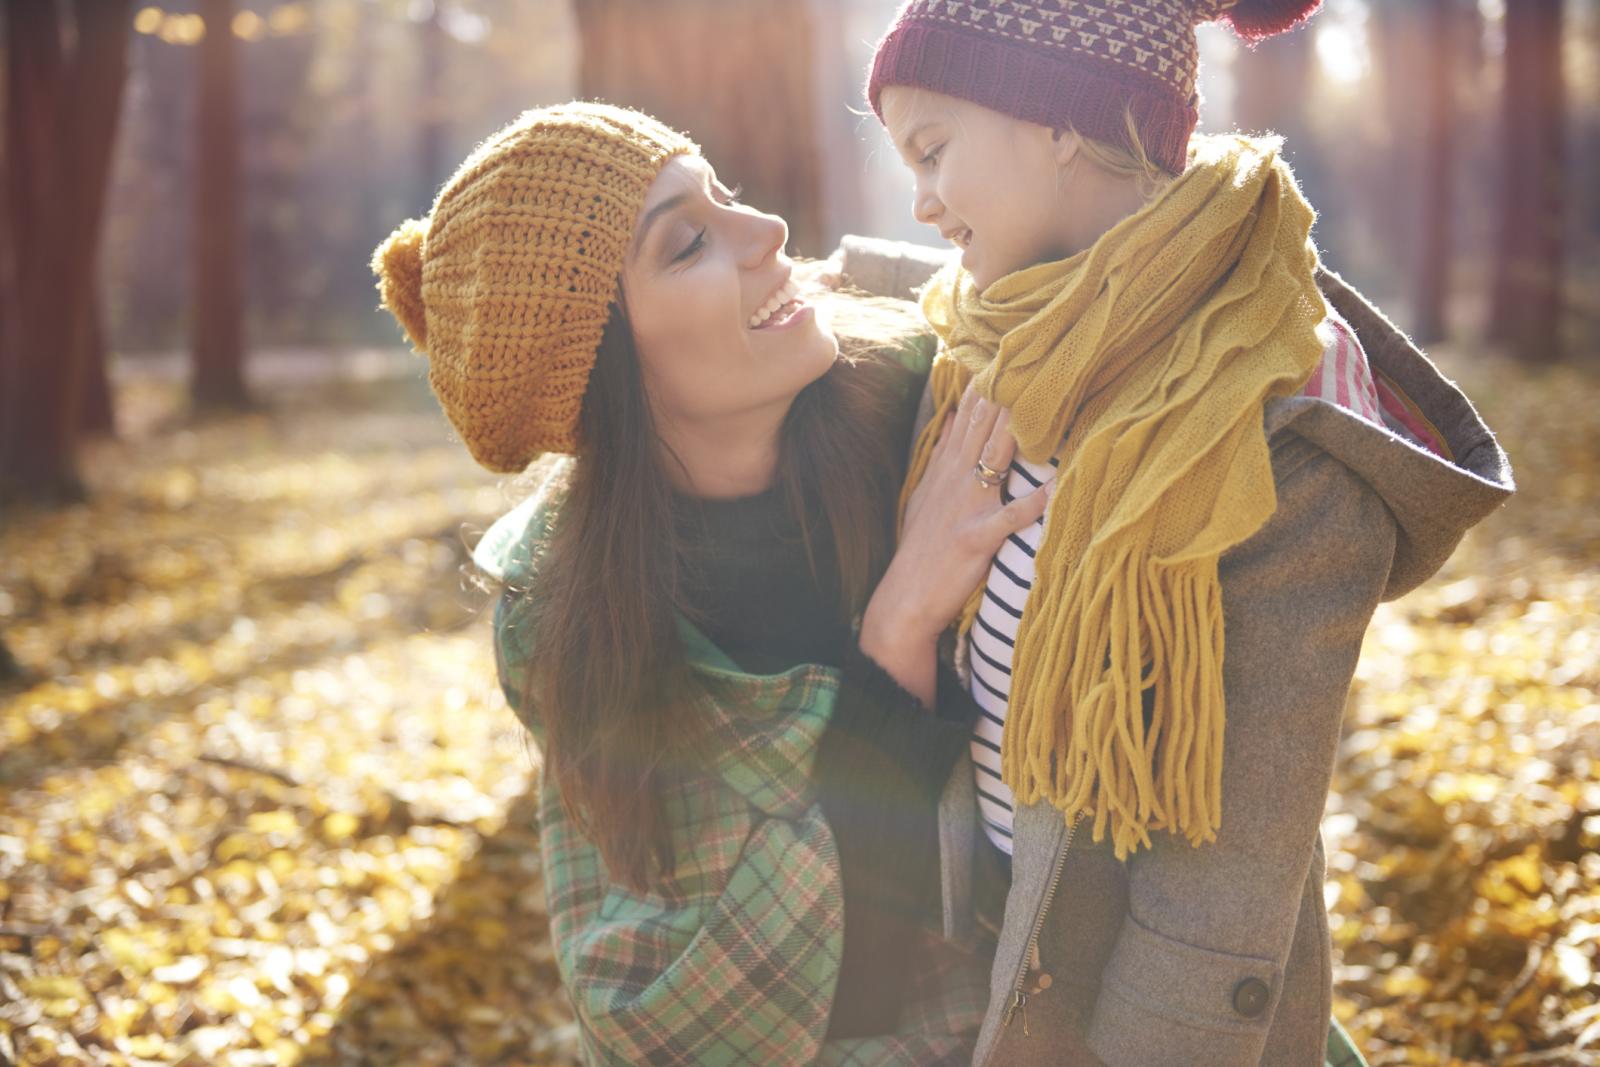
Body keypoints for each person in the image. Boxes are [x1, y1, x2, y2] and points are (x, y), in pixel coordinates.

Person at [859, 1, 1516, 1064]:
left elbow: (1223, 885)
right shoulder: (1004, 337)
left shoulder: (1269, 410)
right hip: (990, 947)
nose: (922, 203)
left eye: (932, 151)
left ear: (1056, 117)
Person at [370, 102, 1052, 1065]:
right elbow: (804, 993)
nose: (766, 231)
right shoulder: (569, 620)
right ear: (610, 378)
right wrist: (902, 623)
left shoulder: (939, 391)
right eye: (690, 242)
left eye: (722, 194)